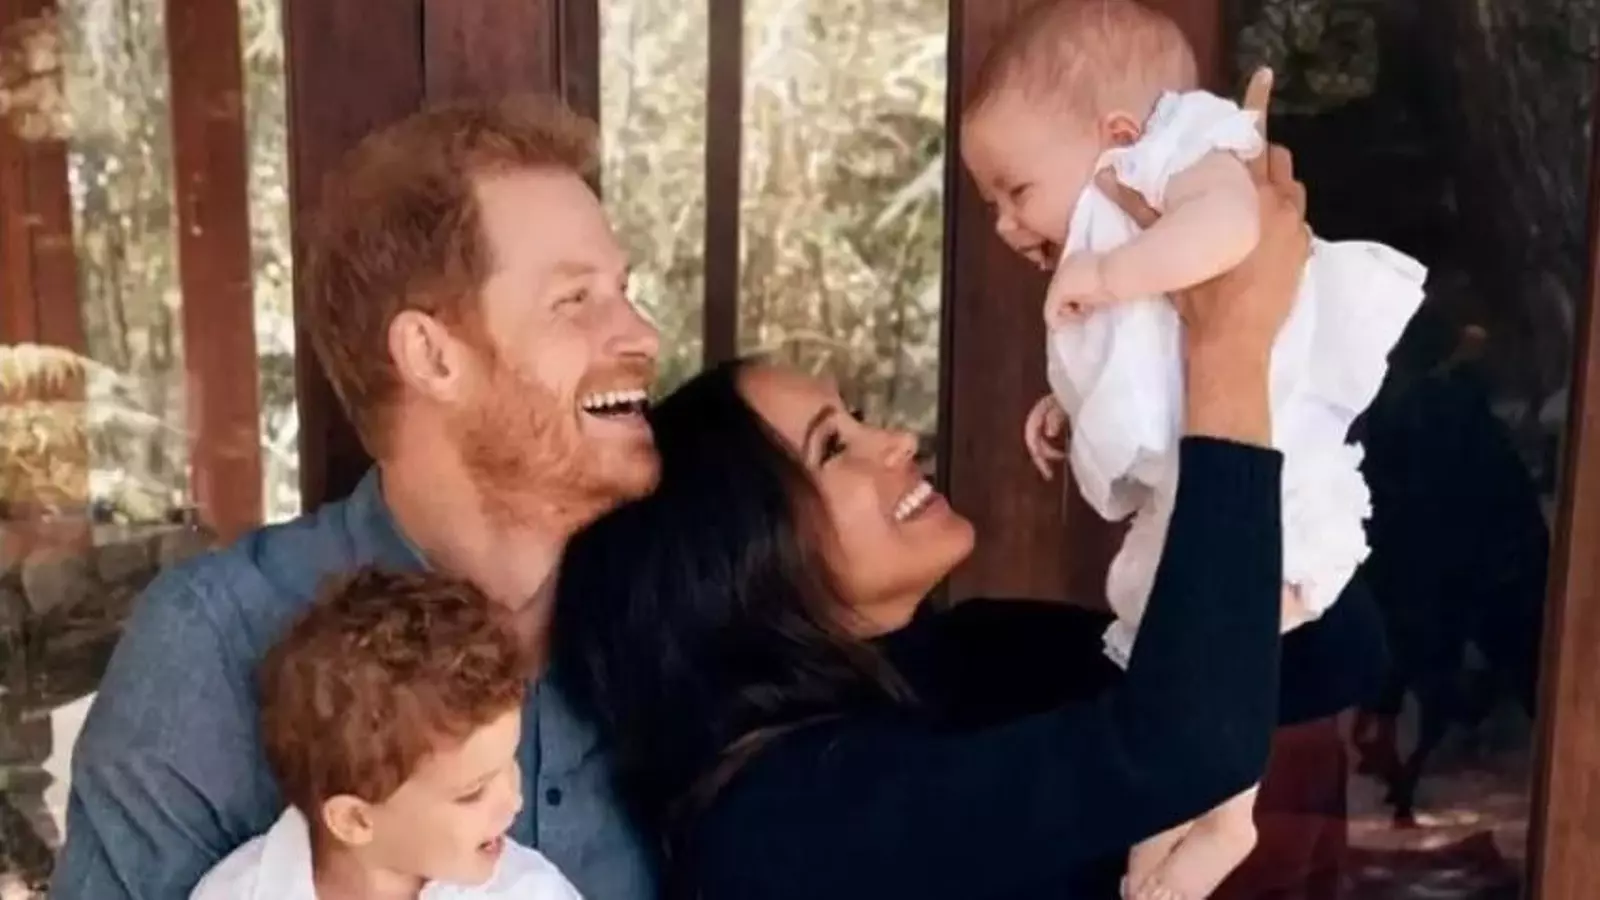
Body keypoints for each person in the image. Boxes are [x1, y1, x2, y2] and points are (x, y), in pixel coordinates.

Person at [554, 76, 1386, 899]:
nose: (896, 442)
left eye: (858, 417)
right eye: (834, 447)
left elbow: (1321, 661)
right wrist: (1228, 350)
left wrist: (1215, 352)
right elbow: (1188, 746)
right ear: (739, 557)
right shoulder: (782, 820)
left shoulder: (963, 658)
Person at [52, 95, 659, 899]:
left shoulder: (668, 618)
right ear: (432, 357)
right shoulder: (214, 647)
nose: (643, 335)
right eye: (576, 301)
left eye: (623, 289)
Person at [958, 1, 1424, 894]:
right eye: (991, 206)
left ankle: (1222, 818)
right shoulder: (1127, 223)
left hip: (1276, 477)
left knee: (1218, 651)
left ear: (1117, 135)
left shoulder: (1185, 153)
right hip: (1205, 481)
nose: (1008, 226)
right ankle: (1184, 822)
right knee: (1180, 653)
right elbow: (1149, 360)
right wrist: (1069, 403)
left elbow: (1233, 231)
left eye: (1016, 191)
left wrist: (1106, 274)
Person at [190, 567, 582, 900]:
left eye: (509, 763)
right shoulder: (238, 893)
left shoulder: (529, 891)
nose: (514, 801)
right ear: (355, 820)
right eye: (472, 793)